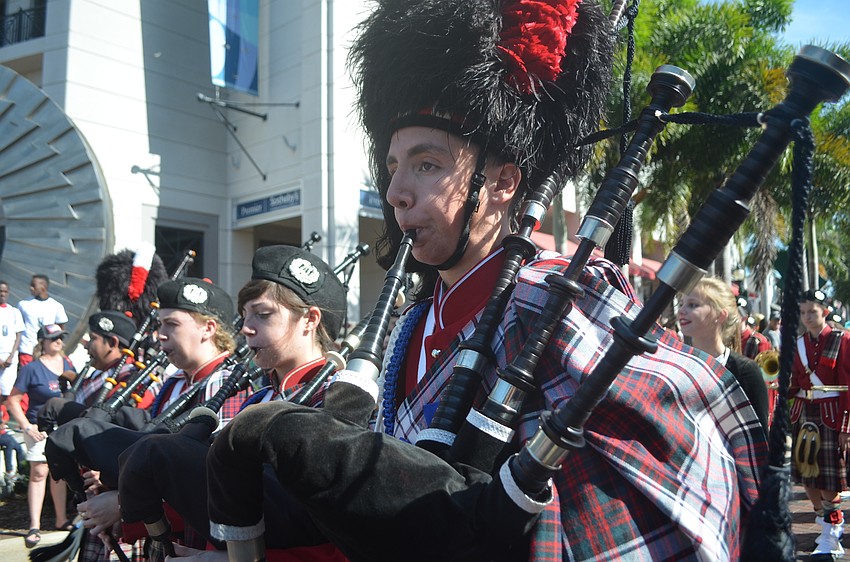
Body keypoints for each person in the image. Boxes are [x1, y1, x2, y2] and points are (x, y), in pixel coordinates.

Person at [204, 1, 767, 561]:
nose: (397, 190)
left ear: (501, 183)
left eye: (427, 165)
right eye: (393, 166)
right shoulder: (413, 325)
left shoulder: (560, 303)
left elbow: (626, 509)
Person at [116, 245, 349, 561]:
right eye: (244, 316)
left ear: (309, 319)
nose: (245, 328)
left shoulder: (338, 398)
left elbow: (333, 526)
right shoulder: (260, 397)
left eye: (263, 314)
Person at [70, 277, 250, 559]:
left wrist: (121, 504)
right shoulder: (174, 382)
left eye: (172, 324)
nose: (159, 334)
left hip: (192, 541)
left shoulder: (225, 385)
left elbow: (209, 481)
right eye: (159, 324)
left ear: (208, 328)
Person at [790, 288, 850, 560]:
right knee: (807, 477)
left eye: (812, 312)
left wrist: (846, 428)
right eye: (803, 313)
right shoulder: (799, 343)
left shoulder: (842, 339)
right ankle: (824, 527)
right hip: (804, 413)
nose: (807, 317)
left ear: (824, 312)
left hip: (830, 413)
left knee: (829, 481)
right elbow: (792, 382)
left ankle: (832, 535)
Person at [5, 324, 76, 548]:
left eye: (60, 337)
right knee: (39, 472)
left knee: (60, 473)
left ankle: (60, 519)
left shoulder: (68, 364)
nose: (58, 341)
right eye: (53, 337)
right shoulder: (32, 368)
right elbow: (13, 401)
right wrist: (26, 427)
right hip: (39, 427)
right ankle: (34, 525)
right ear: (43, 342)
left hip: (62, 426)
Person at [677, 277, 770, 429]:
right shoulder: (677, 363)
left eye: (693, 305)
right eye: (681, 304)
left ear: (720, 315)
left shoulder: (745, 371)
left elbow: (759, 438)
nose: (682, 310)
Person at [17, 274, 69, 368]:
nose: (31, 288)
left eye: (34, 285)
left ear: (43, 287)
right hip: (27, 350)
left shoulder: (56, 306)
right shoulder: (23, 305)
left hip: (46, 351)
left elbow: (60, 330)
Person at [0, 281, 24, 420]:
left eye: (5, 291)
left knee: (6, 392)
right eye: (0, 291)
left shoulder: (14, 312)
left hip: (9, 360)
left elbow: (18, 336)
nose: (2, 294)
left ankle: (3, 420)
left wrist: (10, 357)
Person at [0, 419, 24, 493]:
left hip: (4, 433)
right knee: (9, 444)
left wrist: (4, 424)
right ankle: (9, 471)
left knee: (18, 447)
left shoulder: (3, 408)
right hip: (2, 434)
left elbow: (5, 418)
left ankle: (21, 471)